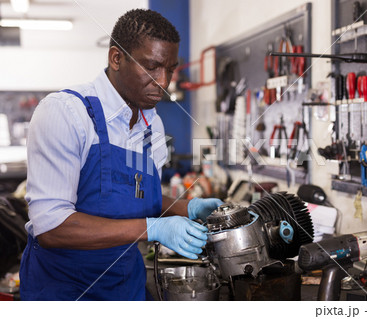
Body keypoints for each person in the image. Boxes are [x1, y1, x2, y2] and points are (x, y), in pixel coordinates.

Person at [19, 9, 223, 301]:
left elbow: (133, 195)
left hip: (125, 285)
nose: (163, 82)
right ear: (116, 58)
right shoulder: (66, 113)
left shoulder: (152, 125)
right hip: (64, 291)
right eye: (152, 67)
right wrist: (154, 227)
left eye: (170, 69)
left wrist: (187, 208)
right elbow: (51, 227)